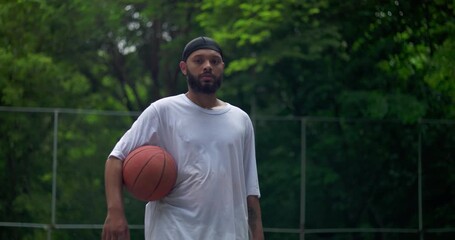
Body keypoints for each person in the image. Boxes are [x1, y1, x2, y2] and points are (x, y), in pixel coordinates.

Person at [102, 36, 264, 240]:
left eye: (214, 61)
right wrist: (115, 212)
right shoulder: (162, 111)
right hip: (173, 232)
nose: (207, 66)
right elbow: (115, 159)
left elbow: (250, 190)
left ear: (222, 67)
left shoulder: (241, 120)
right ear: (184, 68)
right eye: (199, 60)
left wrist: (257, 234)